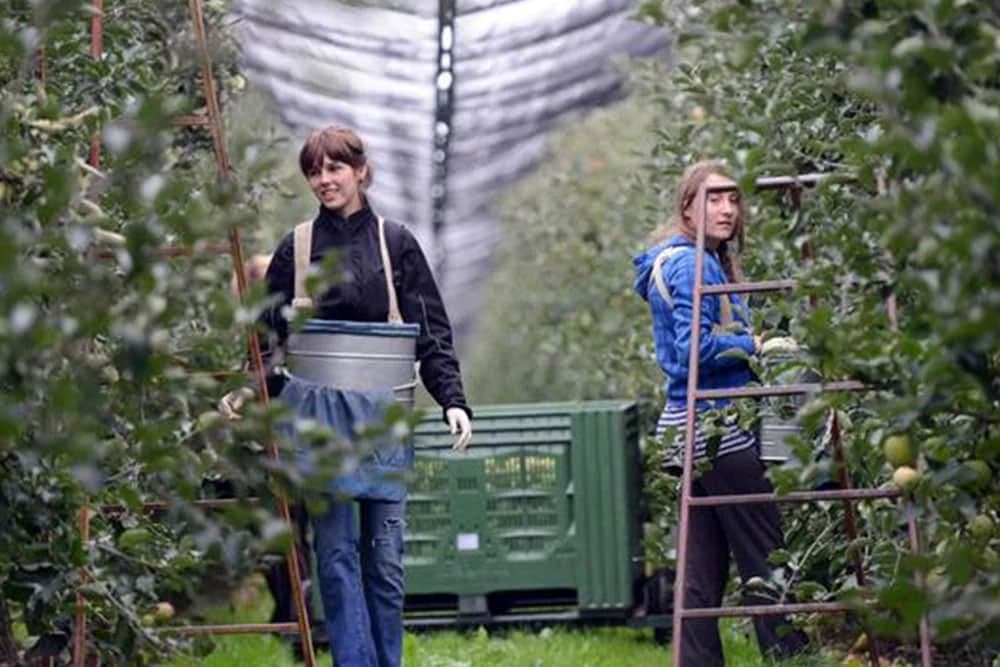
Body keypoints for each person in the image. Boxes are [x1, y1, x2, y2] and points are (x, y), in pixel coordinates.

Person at [220, 126, 473, 667]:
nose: (323, 180)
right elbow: (269, 333)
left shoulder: (395, 241)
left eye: (334, 168)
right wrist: (250, 386)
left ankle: (388, 660)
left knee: (385, 558)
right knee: (333, 556)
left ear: (360, 171)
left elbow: (430, 327)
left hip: (383, 418)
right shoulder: (298, 247)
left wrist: (452, 397)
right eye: (314, 171)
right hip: (319, 421)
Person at [633, 160, 808, 666]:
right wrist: (754, 342)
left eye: (734, 199)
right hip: (718, 428)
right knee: (764, 555)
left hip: (687, 429)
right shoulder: (692, 264)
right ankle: (791, 659)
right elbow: (695, 349)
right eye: (714, 199)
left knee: (702, 567)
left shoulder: (690, 258)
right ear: (687, 207)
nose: (728, 209)